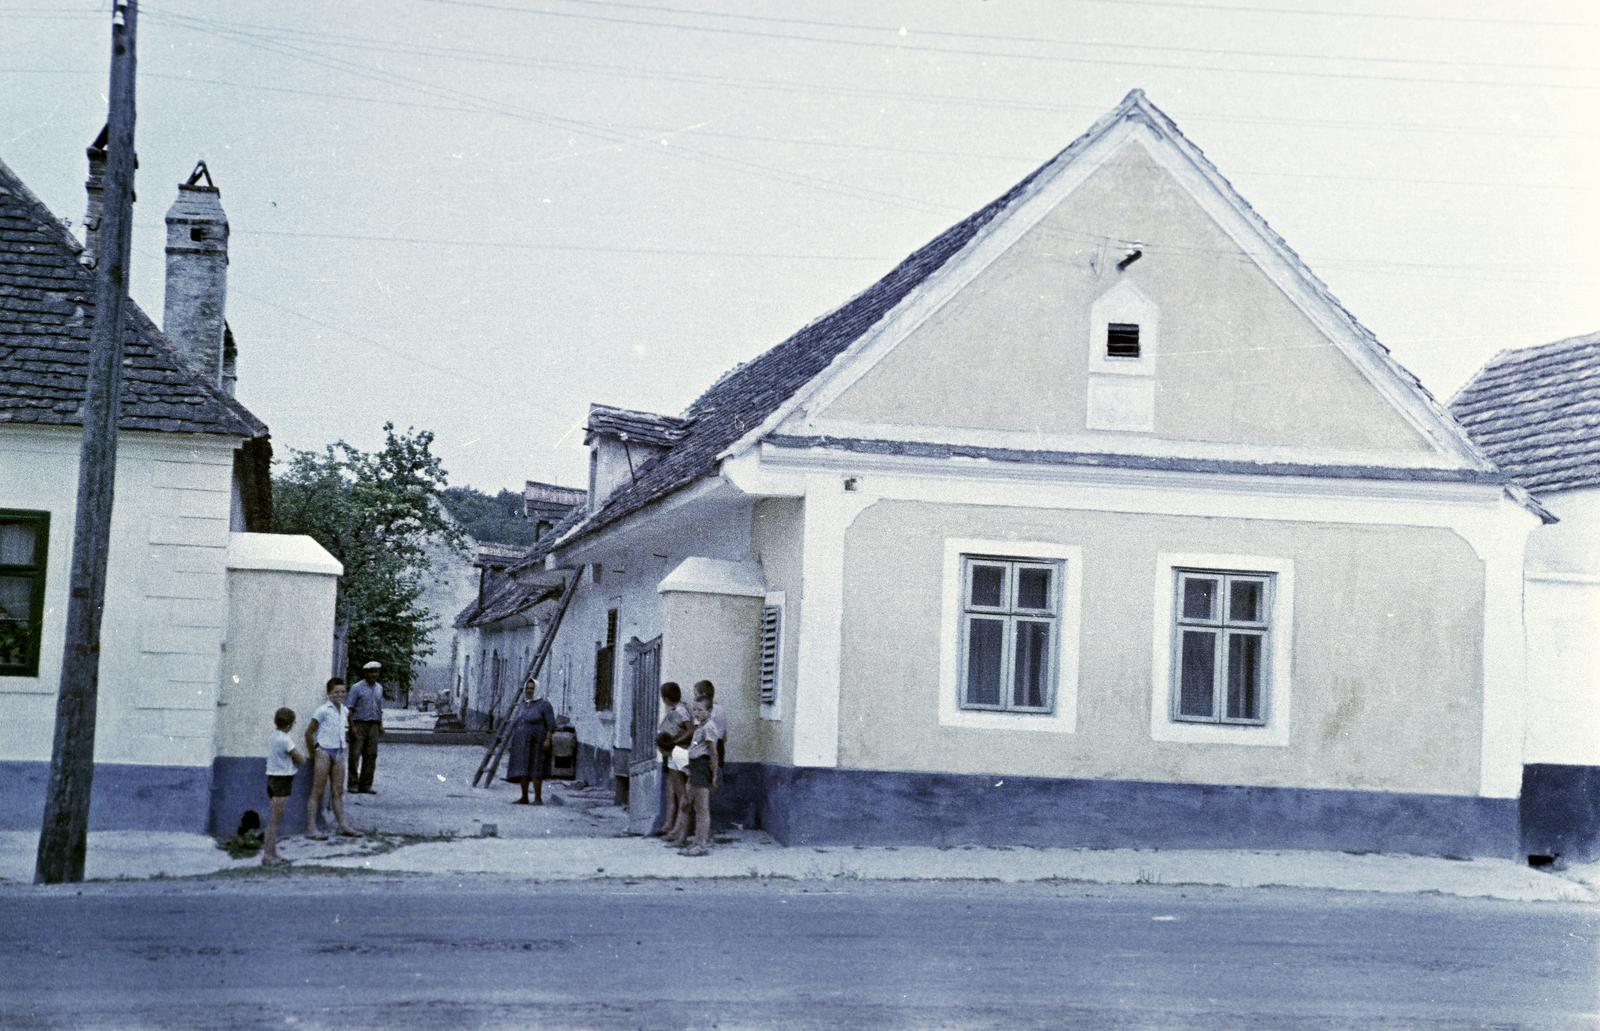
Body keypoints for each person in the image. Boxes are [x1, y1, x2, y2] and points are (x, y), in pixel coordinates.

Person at [304, 678, 361, 840]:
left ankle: (343, 825)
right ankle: (311, 828)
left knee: (338, 791)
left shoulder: (344, 710)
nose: (340, 695)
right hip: (324, 751)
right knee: (318, 791)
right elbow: (309, 733)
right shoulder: (322, 710)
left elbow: (347, 729)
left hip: (339, 752)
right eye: (336, 692)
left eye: (343, 692)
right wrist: (314, 754)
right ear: (329, 694)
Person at [671, 698, 719, 857]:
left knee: (701, 808)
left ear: (709, 711)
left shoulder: (709, 727)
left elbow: (713, 752)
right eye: (695, 710)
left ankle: (701, 844)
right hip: (694, 767)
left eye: (700, 710)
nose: (697, 713)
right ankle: (692, 840)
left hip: (702, 767)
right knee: (687, 803)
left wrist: (714, 775)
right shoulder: (700, 726)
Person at [262, 707, 306, 867]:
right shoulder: (286, 740)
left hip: (273, 778)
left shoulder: (273, 737)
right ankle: (268, 855)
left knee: (274, 819)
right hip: (282, 780)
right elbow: (300, 759)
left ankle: (272, 853)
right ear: (289, 725)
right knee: (274, 820)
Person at [649, 682, 692, 837]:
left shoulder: (681, 711)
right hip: (672, 753)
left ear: (666, 698)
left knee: (677, 792)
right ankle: (669, 825)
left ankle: (675, 829)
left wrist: (676, 741)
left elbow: (690, 730)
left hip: (676, 752)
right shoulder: (677, 710)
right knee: (671, 790)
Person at [505, 676, 557, 805]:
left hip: (537, 742)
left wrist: (547, 740)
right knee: (522, 769)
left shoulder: (544, 705)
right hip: (521, 742)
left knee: (536, 768)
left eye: (532, 688)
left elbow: (551, 725)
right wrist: (511, 741)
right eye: (527, 688)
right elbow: (516, 722)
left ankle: (538, 798)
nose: (529, 691)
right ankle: (524, 797)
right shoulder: (523, 704)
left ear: (537, 689)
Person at [346, 661, 385, 794]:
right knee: (355, 755)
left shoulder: (379, 688)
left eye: (376, 672)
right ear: (365, 673)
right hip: (359, 723)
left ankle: (366, 785)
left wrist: (381, 726)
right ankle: (353, 784)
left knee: (371, 755)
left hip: (374, 724)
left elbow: (380, 708)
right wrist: (352, 727)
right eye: (371, 672)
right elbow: (349, 709)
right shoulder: (356, 688)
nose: (374, 674)